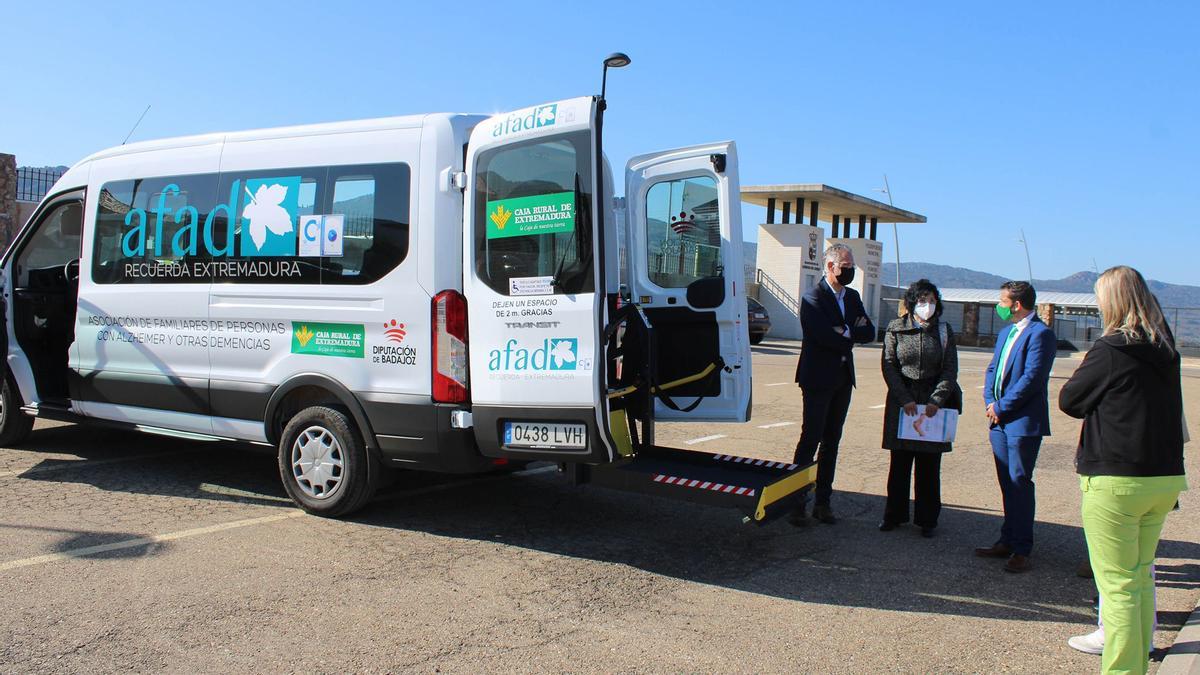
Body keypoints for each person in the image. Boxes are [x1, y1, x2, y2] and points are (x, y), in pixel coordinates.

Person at [1059, 266, 1187, 673]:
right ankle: (1137, 659)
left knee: (1117, 587)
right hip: (1163, 478)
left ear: (1110, 301)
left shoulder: (1111, 348)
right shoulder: (1166, 348)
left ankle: (1123, 669)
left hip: (1117, 479)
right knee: (1139, 576)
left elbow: (1070, 399)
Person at [790, 244, 875, 525]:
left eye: (851, 266)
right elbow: (823, 336)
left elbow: (869, 332)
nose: (849, 271)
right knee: (810, 439)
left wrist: (845, 330)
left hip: (842, 379)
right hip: (817, 378)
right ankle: (797, 502)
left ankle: (823, 502)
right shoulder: (812, 296)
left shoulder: (852, 297)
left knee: (832, 442)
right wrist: (850, 330)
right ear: (830, 266)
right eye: (846, 266)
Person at [975, 280, 1056, 573]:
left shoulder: (1041, 335)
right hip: (997, 420)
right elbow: (993, 369)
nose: (1000, 306)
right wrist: (989, 400)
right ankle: (1006, 540)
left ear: (1017, 305)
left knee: (1020, 482)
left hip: (1021, 421)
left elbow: (1032, 379)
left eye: (1003, 301)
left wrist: (1002, 406)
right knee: (1006, 483)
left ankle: (1022, 548)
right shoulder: (1006, 332)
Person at [879, 279, 961, 537]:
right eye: (923, 300)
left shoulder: (944, 332)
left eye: (932, 301)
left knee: (928, 466)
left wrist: (937, 400)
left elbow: (950, 369)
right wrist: (904, 399)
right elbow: (889, 365)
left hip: (932, 405)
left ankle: (927, 520)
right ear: (912, 303)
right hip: (903, 403)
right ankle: (895, 515)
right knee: (899, 465)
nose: (928, 306)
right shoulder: (895, 328)